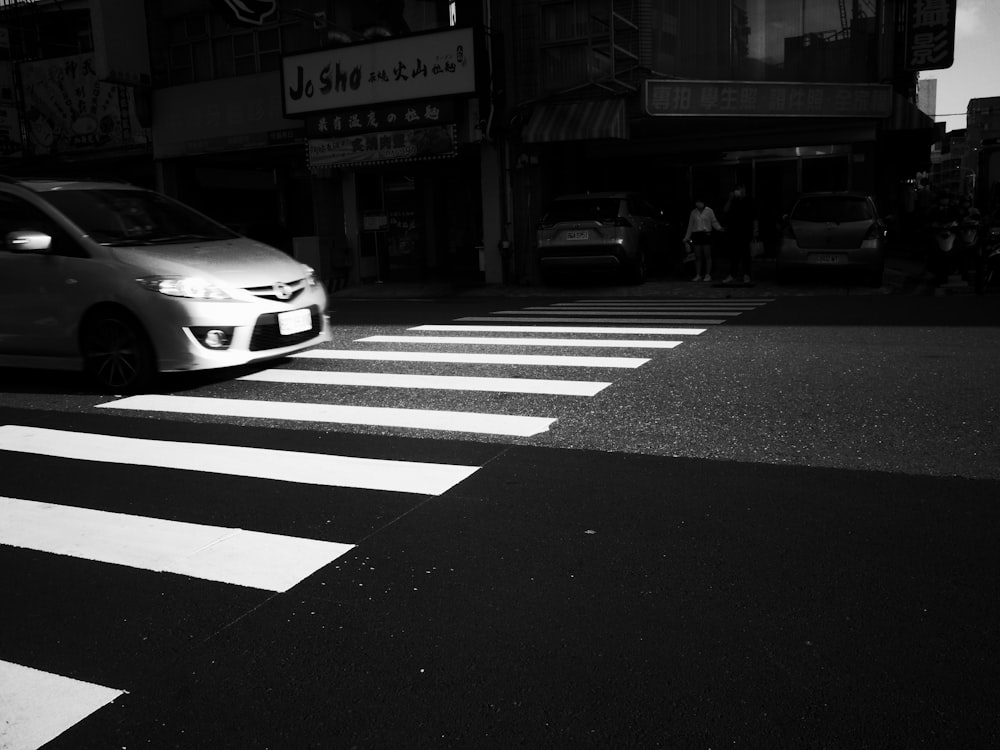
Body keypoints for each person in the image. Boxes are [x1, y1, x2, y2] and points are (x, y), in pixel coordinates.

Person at [722, 183, 758, 284]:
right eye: (736, 189)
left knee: (746, 254)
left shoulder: (750, 200)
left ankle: (746, 275)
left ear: (744, 189)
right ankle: (732, 275)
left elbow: (754, 217)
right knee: (733, 254)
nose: (737, 191)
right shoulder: (733, 200)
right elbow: (725, 210)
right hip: (733, 231)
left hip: (746, 231)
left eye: (739, 189)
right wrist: (730, 199)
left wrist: (755, 231)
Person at [682, 198, 722, 281]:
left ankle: (708, 275)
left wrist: (719, 228)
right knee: (698, 256)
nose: (698, 203)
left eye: (700, 201)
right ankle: (698, 274)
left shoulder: (709, 210)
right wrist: (686, 237)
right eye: (697, 201)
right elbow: (690, 225)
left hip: (706, 234)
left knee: (707, 255)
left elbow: (714, 221)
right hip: (696, 235)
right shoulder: (693, 212)